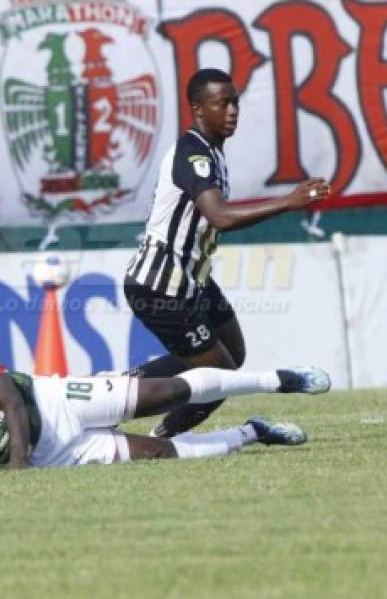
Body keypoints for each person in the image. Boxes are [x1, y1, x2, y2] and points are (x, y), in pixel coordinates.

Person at [124, 68, 332, 438]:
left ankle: (124, 384)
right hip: (161, 285)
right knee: (219, 373)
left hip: (193, 280)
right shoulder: (193, 154)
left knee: (232, 354)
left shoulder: (212, 154)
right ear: (198, 109)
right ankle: (160, 437)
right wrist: (288, 201)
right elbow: (219, 217)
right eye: (223, 103)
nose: (233, 110)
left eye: (235, 102)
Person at [0, 324, 327, 477]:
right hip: (52, 455)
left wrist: (18, 467)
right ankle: (253, 432)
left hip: (55, 401)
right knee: (162, 455)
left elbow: (12, 403)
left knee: (168, 392)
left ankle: (280, 379)